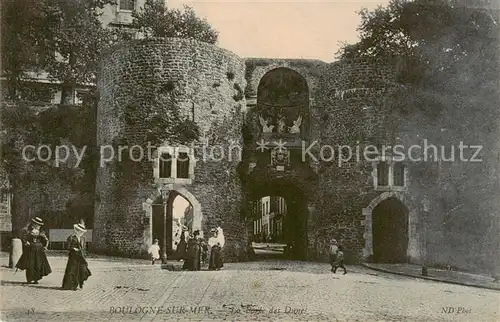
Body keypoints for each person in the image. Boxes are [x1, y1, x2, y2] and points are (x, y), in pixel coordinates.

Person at [15, 217, 52, 284]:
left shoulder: (41, 232)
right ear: (34, 224)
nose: (38, 226)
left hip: (39, 252)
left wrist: (44, 246)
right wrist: (26, 243)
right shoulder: (28, 231)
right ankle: (29, 279)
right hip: (30, 251)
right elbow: (24, 239)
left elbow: (46, 240)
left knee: (38, 265)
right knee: (30, 265)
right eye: (37, 224)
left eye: (39, 225)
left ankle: (36, 279)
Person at [62, 222, 92, 290]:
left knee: (82, 270)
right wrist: (73, 248)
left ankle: (80, 283)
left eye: (82, 232)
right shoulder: (71, 237)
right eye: (80, 231)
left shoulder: (83, 238)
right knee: (72, 271)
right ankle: (71, 285)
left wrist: (84, 255)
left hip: (81, 257)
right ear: (77, 230)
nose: (81, 233)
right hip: (73, 257)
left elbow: (84, 248)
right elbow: (67, 247)